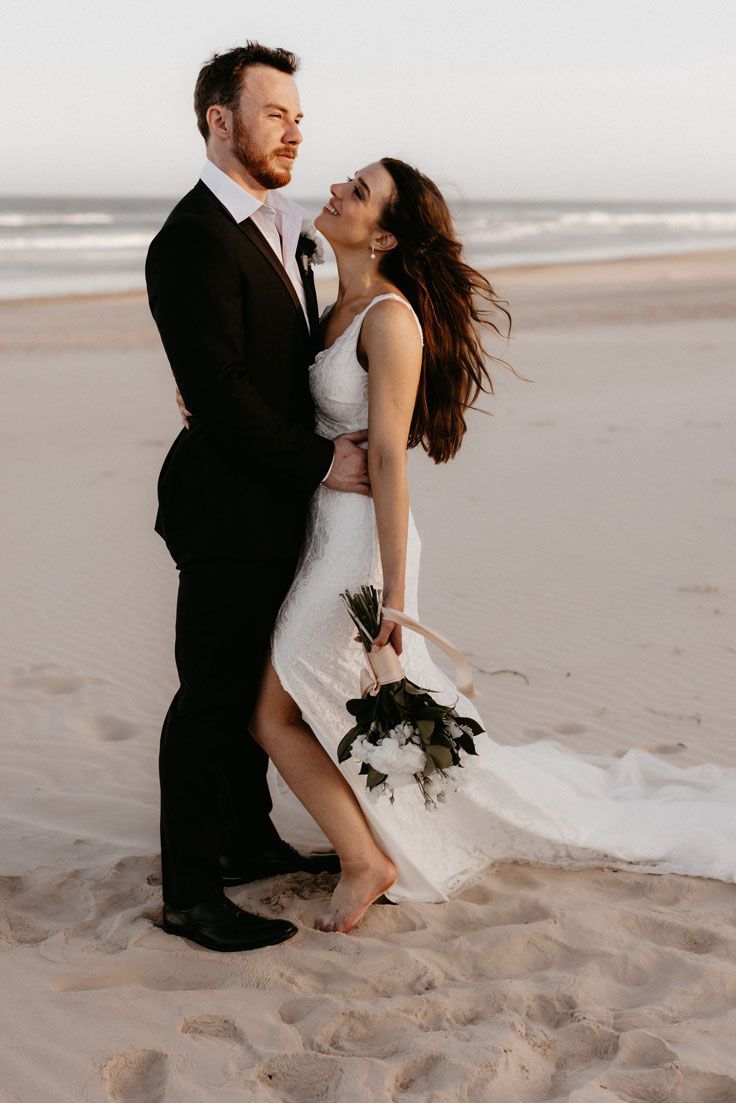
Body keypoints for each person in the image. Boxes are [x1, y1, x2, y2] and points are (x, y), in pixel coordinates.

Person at [247, 156, 736, 934]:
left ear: (385, 236)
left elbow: (389, 460)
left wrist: (398, 597)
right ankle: (375, 837)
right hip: (321, 532)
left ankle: (366, 860)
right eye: (348, 180)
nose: (337, 188)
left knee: (273, 712)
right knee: (310, 704)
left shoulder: (389, 320)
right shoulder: (337, 308)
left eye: (359, 191)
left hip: (358, 547)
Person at [145, 43, 371, 953]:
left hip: (271, 502)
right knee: (210, 693)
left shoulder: (280, 224)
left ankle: (245, 838)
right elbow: (228, 394)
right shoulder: (189, 239)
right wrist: (325, 460)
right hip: (225, 507)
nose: (293, 129)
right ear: (219, 121)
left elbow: (274, 359)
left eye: (297, 115)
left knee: (249, 680)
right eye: (274, 112)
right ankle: (192, 891)